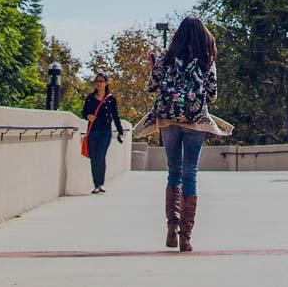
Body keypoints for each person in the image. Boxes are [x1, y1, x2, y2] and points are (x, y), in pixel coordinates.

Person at [129, 16, 233, 252]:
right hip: (196, 121)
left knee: (173, 172)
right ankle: (186, 236)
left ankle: (172, 228)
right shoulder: (207, 59)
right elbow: (212, 95)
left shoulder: (166, 57)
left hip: (168, 119)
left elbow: (152, 87)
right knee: (190, 174)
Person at [80, 73, 126, 194]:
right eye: (97, 81)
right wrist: (88, 116)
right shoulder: (90, 97)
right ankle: (96, 185)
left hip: (105, 131)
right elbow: (83, 112)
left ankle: (101, 183)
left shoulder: (111, 99)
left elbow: (115, 116)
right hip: (93, 131)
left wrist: (120, 132)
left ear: (106, 83)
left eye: (101, 81)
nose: (99, 83)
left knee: (100, 156)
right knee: (94, 158)